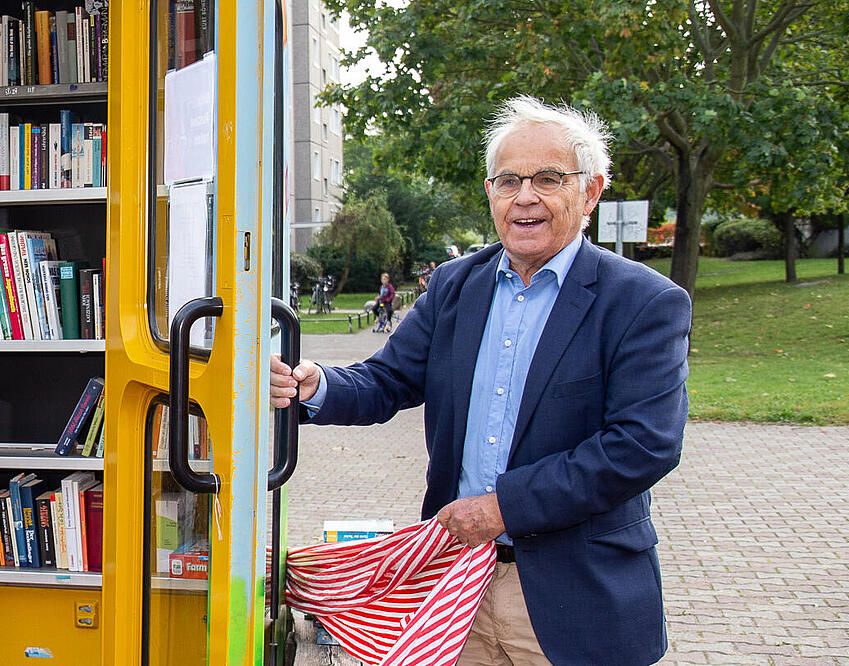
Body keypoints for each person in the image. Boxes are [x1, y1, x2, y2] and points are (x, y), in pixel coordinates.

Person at [269, 96, 689, 666]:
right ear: (489, 191)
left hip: (574, 600)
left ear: (590, 192)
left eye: (547, 178)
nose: (525, 198)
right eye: (508, 180)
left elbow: (640, 447)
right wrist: (316, 386)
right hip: (451, 589)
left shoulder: (643, 302)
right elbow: (389, 379)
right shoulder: (453, 286)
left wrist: (502, 509)